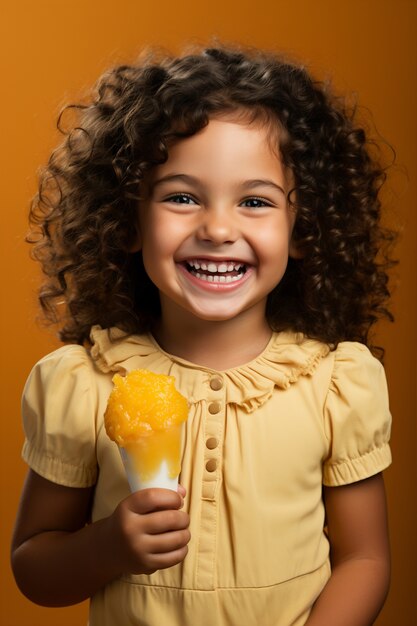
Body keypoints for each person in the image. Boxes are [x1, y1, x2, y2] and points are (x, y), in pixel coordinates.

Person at [11, 44, 395, 626]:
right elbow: (33, 566)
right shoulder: (85, 386)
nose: (218, 228)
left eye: (255, 201)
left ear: (302, 228)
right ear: (129, 219)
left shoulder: (335, 385)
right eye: (182, 197)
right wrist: (107, 545)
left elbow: (365, 559)